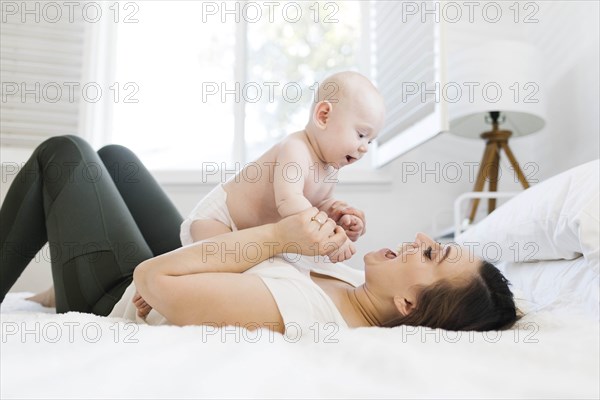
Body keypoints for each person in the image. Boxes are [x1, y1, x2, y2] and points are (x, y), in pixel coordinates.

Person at [0, 135, 520, 334]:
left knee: (65, 156)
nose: (421, 237)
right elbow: (248, 252)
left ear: (408, 304)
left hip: (119, 295)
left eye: (432, 254)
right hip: (190, 262)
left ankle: (65, 292)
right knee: (118, 161)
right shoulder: (347, 280)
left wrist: (278, 236)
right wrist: (313, 216)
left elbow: (150, 278)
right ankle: (49, 292)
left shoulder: (307, 311)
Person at [180, 71, 386, 263]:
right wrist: (329, 234)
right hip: (218, 220)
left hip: (250, 237)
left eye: (370, 141)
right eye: (361, 135)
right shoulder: (296, 149)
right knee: (217, 266)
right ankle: (166, 272)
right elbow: (290, 202)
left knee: (243, 274)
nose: (365, 148)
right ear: (324, 116)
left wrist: (338, 215)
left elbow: (318, 203)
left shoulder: (330, 168)